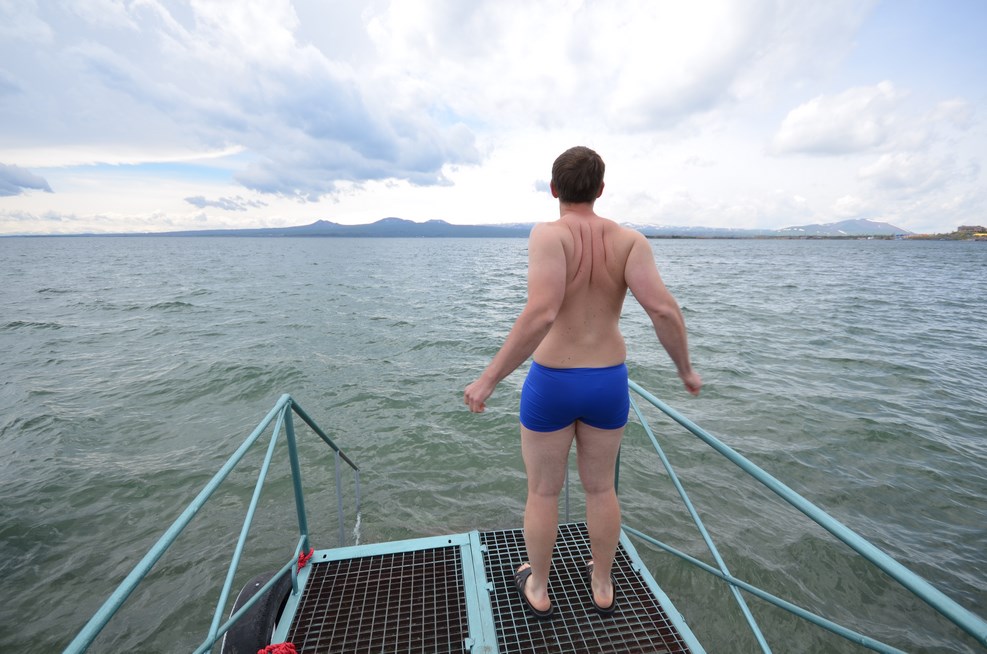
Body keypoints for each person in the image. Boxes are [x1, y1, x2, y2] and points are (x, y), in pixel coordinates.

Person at [464, 146, 701, 619]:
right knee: (600, 489)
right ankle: (602, 583)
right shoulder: (630, 242)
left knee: (543, 491)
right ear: (601, 189)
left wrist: (488, 379)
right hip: (608, 382)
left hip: (552, 382)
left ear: (554, 189)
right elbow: (663, 310)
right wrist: (685, 370)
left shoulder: (549, 236)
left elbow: (541, 312)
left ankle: (538, 587)